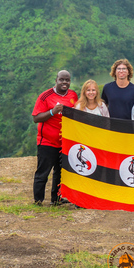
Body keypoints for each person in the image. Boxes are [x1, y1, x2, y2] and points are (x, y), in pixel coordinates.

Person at [32, 70, 78, 206]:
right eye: (62, 80)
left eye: (67, 80)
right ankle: (38, 200)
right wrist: (53, 112)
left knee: (60, 172)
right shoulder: (45, 96)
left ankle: (56, 199)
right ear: (56, 80)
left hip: (64, 142)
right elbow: (36, 118)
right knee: (43, 172)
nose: (64, 83)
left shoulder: (73, 95)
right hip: (47, 141)